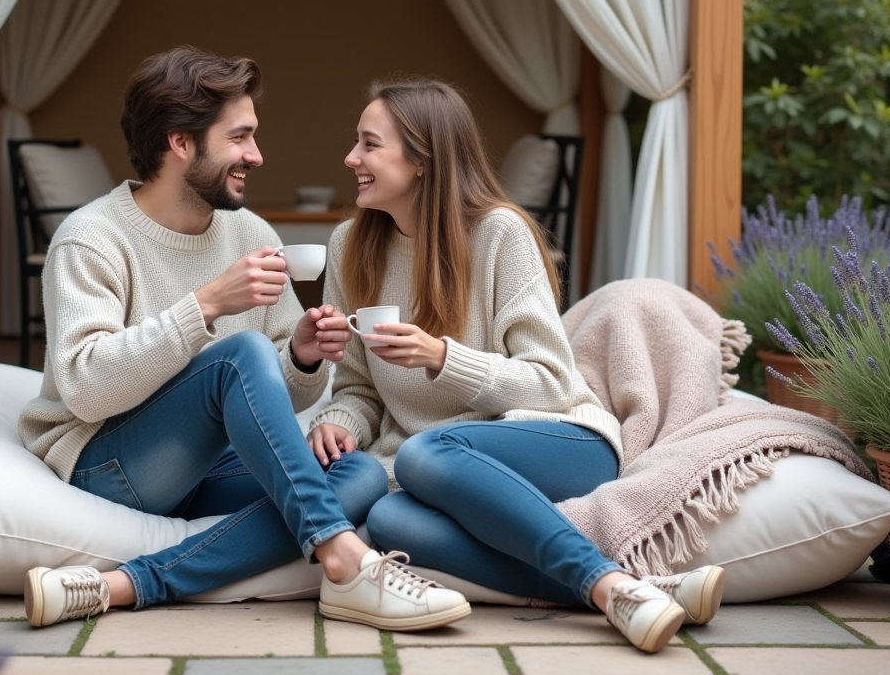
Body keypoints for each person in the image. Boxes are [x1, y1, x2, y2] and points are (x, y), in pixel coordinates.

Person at [17, 47, 470, 632]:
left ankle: (116, 587)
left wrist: (303, 356)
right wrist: (204, 307)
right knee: (240, 355)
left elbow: (275, 396)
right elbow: (84, 390)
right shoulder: (91, 238)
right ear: (181, 143)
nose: (256, 155)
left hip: (204, 465)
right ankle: (344, 560)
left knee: (356, 473)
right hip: (107, 463)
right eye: (240, 138)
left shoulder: (248, 231)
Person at [305, 78, 725, 653]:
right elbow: (358, 388)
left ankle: (610, 583)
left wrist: (442, 358)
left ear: (422, 157)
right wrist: (343, 424)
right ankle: (627, 588)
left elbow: (552, 382)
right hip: (443, 464)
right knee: (389, 521)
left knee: (426, 453)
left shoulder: (499, 234)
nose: (351, 158)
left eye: (369, 144)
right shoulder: (350, 245)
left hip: (558, 440)